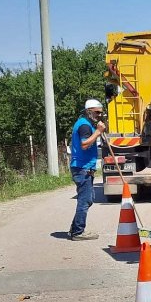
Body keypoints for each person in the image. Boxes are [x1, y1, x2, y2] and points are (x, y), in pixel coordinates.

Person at [68, 99, 106, 240]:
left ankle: (74, 229)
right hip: (82, 168)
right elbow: (84, 144)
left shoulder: (86, 123)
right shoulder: (84, 125)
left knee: (86, 199)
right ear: (89, 111)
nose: (99, 115)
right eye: (97, 112)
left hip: (83, 168)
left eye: (101, 113)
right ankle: (78, 232)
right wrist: (98, 131)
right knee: (85, 201)